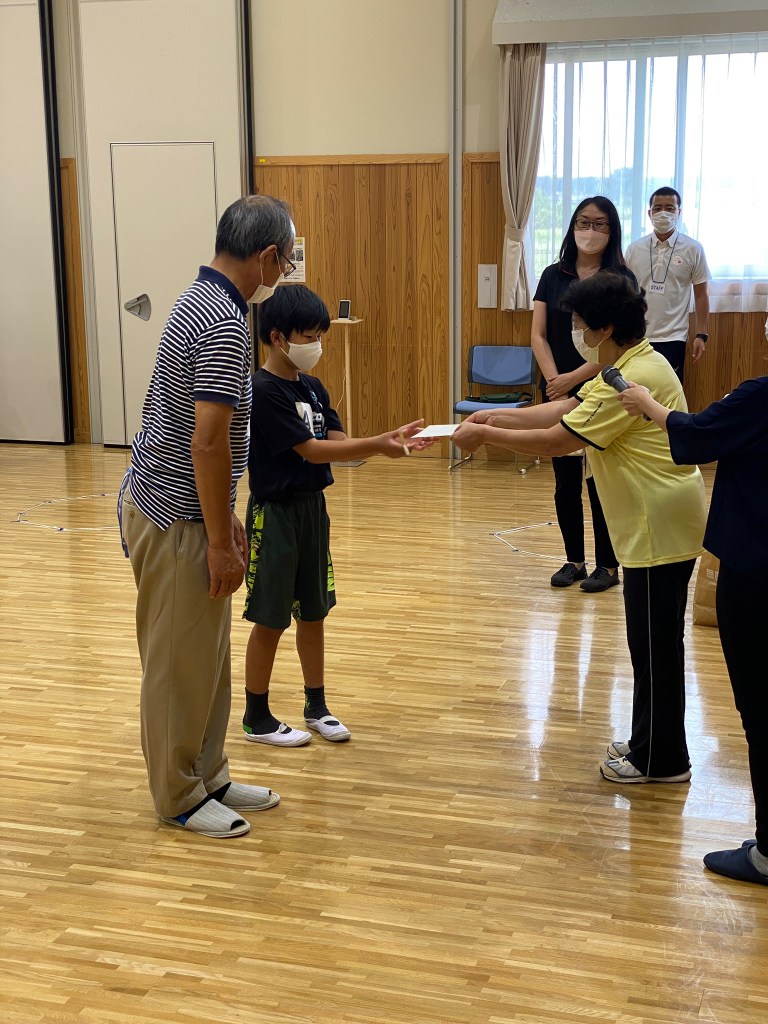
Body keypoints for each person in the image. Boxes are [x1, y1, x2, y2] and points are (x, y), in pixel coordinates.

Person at [454, 271, 706, 783]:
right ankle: (649, 740)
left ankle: (662, 760)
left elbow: (559, 441)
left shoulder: (636, 375)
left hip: (658, 525)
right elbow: (566, 409)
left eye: (580, 323)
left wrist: (487, 438)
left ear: (604, 327)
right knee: (649, 644)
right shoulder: (628, 363)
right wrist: (494, 420)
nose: (576, 332)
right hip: (654, 523)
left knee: (655, 647)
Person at [118, 194, 297, 839]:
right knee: (177, 664)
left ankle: (210, 775)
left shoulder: (209, 300)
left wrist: (225, 523)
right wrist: (219, 541)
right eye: (286, 260)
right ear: (267, 255)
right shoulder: (219, 317)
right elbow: (209, 444)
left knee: (208, 660)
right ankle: (177, 795)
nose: (284, 272)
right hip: (174, 520)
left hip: (193, 513)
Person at [241, 283, 433, 747]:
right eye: (308, 336)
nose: (316, 345)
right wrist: (380, 444)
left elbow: (337, 441)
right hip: (275, 515)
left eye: (319, 336)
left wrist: (387, 442)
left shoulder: (312, 387)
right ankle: (256, 716)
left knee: (314, 613)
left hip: (313, 511)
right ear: (277, 337)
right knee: (271, 618)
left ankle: (317, 705)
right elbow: (310, 449)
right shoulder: (262, 391)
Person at [615, 315, 768, 885]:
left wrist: (648, 406)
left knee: (760, 709)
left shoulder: (758, 396)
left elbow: (698, 436)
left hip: (756, 570)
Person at [532, 196, 636, 593]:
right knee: (565, 483)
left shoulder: (621, 278)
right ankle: (574, 559)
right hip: (555, 388)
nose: (590, 230)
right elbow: (538, 334)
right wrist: (555, 382)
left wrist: (572, 379)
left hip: (603, 386)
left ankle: (608, 565)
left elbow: (618, 343)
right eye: (583, 221)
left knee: (600, 482)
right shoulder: (552, 274)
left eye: (599, 223)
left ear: (611, 230)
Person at [624, 187, 711, 385]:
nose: (663, 213)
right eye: (657, 208)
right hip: (637, 337)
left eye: (670, 208)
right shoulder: (634, 249)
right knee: (634, 392)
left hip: (673, 337)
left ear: (679, 212)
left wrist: (701, 334)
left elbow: (701, 294)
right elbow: (625, 294)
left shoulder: (693, 249)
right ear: (649, 213)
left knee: (668, 393)